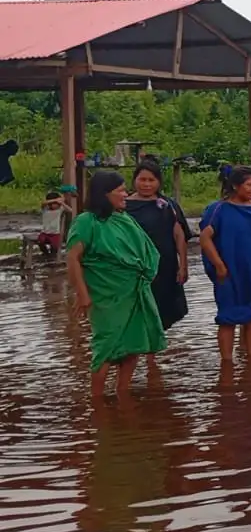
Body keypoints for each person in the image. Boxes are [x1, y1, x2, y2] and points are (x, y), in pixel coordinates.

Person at [65, 170, 165, 399]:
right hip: (106, 294)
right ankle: (96, 400)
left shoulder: (124, 218)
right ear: (105, 194)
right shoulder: (87, 221)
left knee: (133, 343)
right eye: (120, 190)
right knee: (106, 345)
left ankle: (123, 393)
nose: (125, 194)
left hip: (133, 290)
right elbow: (72, 258)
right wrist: (82, 294)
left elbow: (143, 250)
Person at [199, 167, 251, 364]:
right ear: (236, 186)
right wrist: (219, 265)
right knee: (227, 318)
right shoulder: (218, 209)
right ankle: (226, 363)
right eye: (249, 184)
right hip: (229, 272)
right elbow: (205, 238)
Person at [125, 158, 191, 332]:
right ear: (134, 180)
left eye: (151, 180)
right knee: (136, 312)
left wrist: (183, 266)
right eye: (142, 179)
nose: (146, 184)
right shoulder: (124, 207)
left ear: (159, 182)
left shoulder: (168, 206)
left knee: (162, 311)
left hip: (165, 267)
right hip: (134, 268)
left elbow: (179, 236)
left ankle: (156, 348)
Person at [37, 189, 68, 259]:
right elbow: (43, 203)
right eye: (55, 204)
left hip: (55, 233)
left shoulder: (60, 209)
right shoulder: (45, 209)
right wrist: (55, 200)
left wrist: (62, 202)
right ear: (50, 204)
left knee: (55, 246)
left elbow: (70, 210)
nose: (57, 205)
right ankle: (46, 254)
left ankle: (52, 255)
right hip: (45, 233)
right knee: (40, 241)